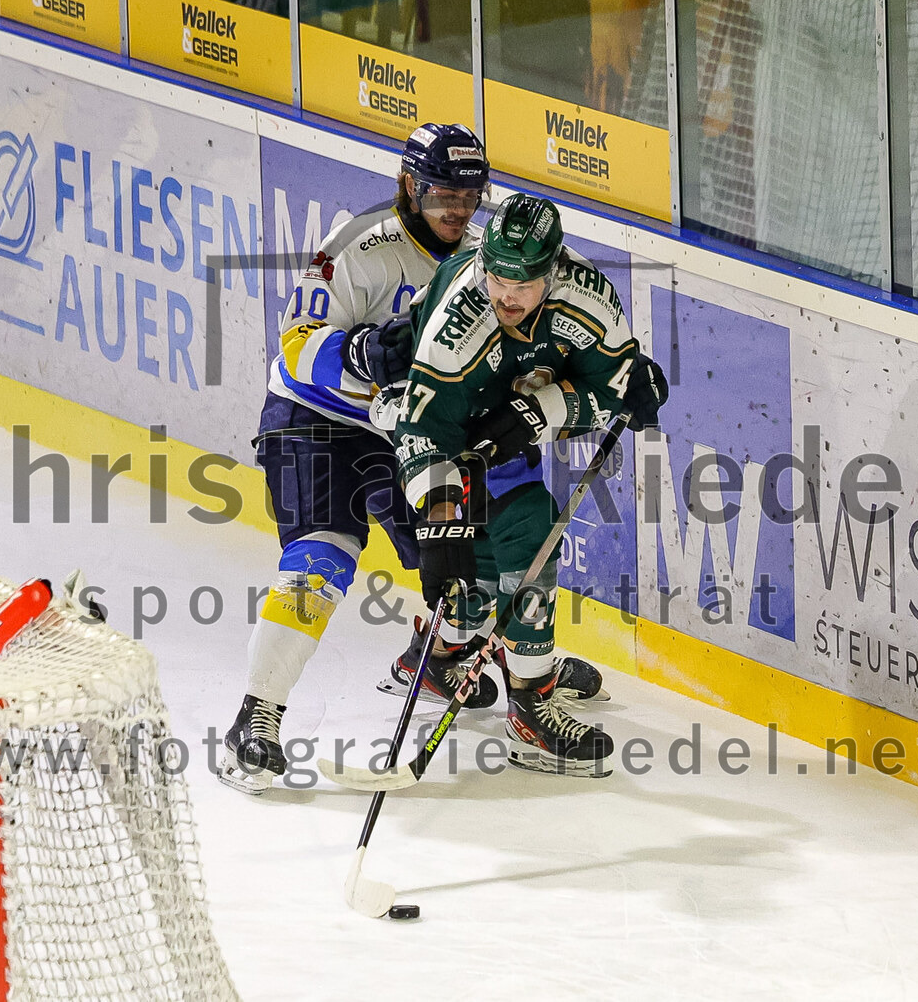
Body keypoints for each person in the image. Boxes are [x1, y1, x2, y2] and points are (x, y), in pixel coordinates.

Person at [218, 123, 494, 795]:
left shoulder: (486, 258)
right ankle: (257, 716)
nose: (457, 210)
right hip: (317, 421)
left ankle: (450, 659)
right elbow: (294, 344)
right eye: (441, 195)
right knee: (323, 556)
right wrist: (360, 353)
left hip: (405, 432)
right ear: (409, 185)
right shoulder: (359, 248)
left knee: (469, 558)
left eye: (470, 195)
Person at [392, 191, 668, 777]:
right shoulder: (461, 314)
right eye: (495, 275)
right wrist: (440, 516)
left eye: (521, 283)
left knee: (518, 525)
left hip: (501, 414)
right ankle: (527, 697)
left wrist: (547, 406)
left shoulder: (589, 298)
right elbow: (422, 426)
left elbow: (614, 390)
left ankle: (455, 653)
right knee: (502, 531)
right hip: (425, 406)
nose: (504, 294)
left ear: (553, 271)